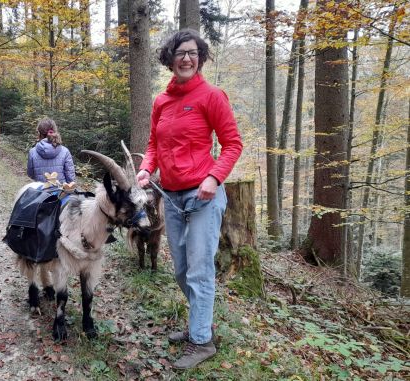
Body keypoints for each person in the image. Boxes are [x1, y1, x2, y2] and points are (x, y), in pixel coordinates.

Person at [135, 29, 243, 369]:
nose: (186, 58)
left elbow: (233, 144)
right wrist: (145, 168)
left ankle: (202, 341)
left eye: (193, 52)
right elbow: (153, 143)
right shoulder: (161, 101)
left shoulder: (212, 96)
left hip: (203, 197)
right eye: (180, 52)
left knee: (199, 271)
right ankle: (201, 322)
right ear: (170, 58)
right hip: (171, 195)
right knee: (182, 270)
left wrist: (213, 178)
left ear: (200, 57)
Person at [27, 117, 75, 185]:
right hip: (61, 193)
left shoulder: (32, 152)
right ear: (55, 131)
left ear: (39, 133)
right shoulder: (65, 151)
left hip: (41, 192)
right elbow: (70, 177)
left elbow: (30, 174)